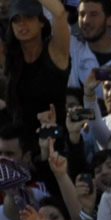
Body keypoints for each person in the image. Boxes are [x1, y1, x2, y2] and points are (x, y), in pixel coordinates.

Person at [5, 0, 70, 136]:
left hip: (54, 142)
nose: (22, 24)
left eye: (28, 17)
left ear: (41, 22)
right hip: (19, 146)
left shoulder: (55, 52)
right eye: (16, 20)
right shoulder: (11, 57)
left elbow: (59, 13)